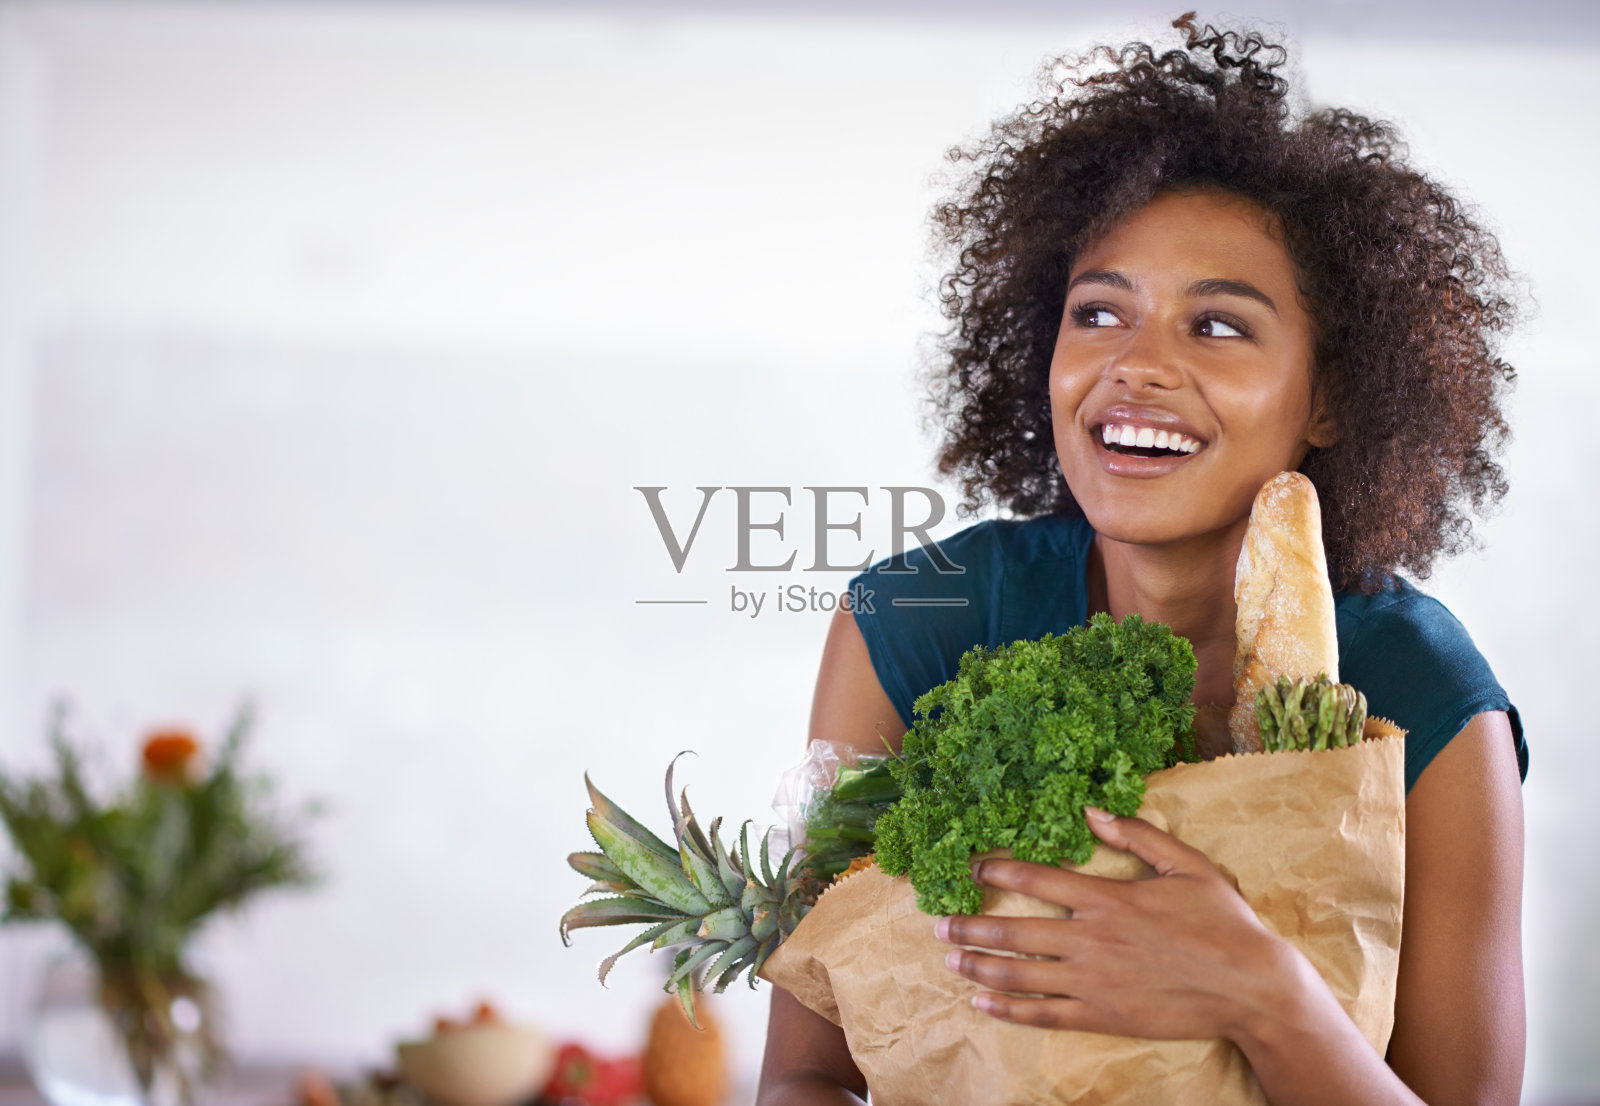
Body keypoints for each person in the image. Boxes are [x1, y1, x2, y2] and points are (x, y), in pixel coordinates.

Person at [756, 15, 1527, 1106]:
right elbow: (803, 1074)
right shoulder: (914, 620)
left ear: (1332, 396)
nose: (1135, 365)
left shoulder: (1425, 690)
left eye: (1216, 327)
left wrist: (1261, 989)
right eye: (1098, 312)